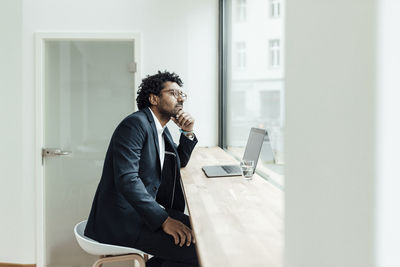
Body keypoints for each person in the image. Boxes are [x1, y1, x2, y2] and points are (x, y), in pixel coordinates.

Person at [85, 71, 199, 267]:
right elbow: (127, 179)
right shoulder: (135, 124)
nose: (180, 99)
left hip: (143, 213)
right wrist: (164, 220)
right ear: (154, 98)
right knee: (197, 251)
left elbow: (177, 161)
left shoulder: (160, 129)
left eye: (182, 94)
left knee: (202, 234)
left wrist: (187, 133)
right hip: (123, 220)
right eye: (173, 93)